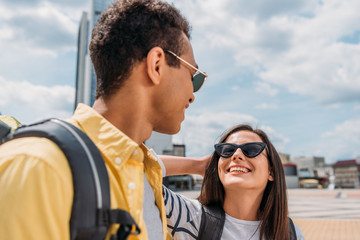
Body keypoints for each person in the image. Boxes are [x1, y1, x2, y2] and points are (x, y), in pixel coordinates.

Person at [0, 1, 207, 239]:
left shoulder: (143, 168)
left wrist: (200, 165)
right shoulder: (37, 168)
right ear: (156, 65)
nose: (192, 95)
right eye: (193, 77)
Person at [158, 124, 305, 239]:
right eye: (227, 150)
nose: (237, 155)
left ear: (271, 172)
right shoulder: (189, 216)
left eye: (252, 149)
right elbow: (137, 164)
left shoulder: (291, 234)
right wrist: (199, 165)